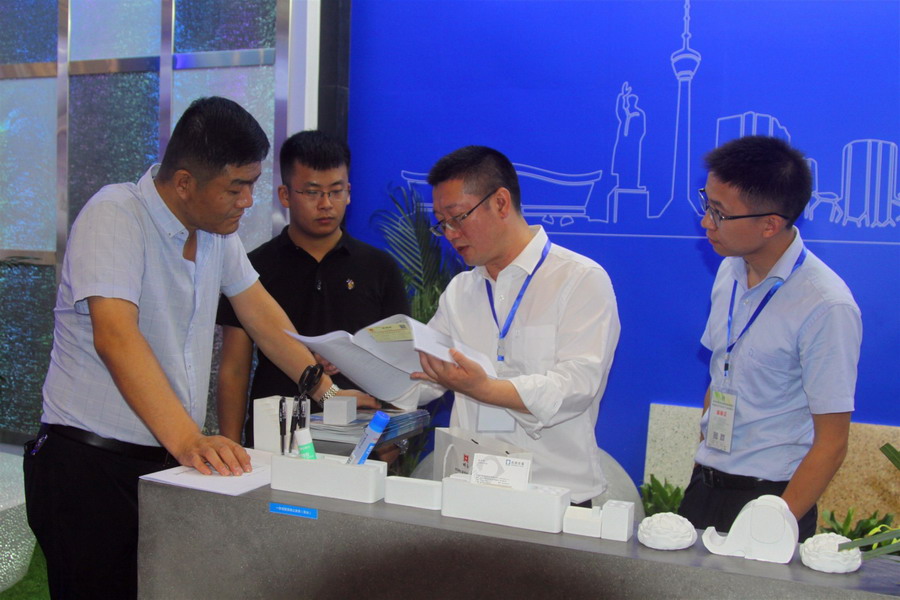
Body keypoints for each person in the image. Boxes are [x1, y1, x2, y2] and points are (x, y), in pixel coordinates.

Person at [23, 97, 352, 599]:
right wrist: (190, 440)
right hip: (89, 464)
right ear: (183, 183)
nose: (248, 201)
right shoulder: (115, 214)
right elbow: (116, 337)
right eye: (236, 187)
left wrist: (330, 395)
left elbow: (263, 318)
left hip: (166, 461)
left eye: (253, 184)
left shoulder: (216, 232)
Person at [407, 145, 620, 506]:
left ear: (501, 203)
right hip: (470, 488)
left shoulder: (579, 279)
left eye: (458, 217)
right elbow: (429, 372)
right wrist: (366, 375)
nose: (451, 234)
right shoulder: (460, 290)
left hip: (555, 496)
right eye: (442, 223)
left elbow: (578, 385)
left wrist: (488, 389)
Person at [678, 135, 862, 542]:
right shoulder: (729, 270)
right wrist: (702, 463)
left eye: (720, 213)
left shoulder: (825, 305)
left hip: (772, 498)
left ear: (770, 224)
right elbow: (721, 372)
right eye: (707, 204)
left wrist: (774, 521)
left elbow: (832, 442)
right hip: (705, 487)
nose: (706, 222)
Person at [216, 130, 409, 445]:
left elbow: (399, 365)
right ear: (285, 195)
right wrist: (230, 442)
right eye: (312, 192)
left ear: (349, 192)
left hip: (361, 438)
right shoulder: (251, 269)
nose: (326, 204)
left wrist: (395, 439)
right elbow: (234, 369)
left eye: (336, 191)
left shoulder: (380, 267)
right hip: (274, 438)